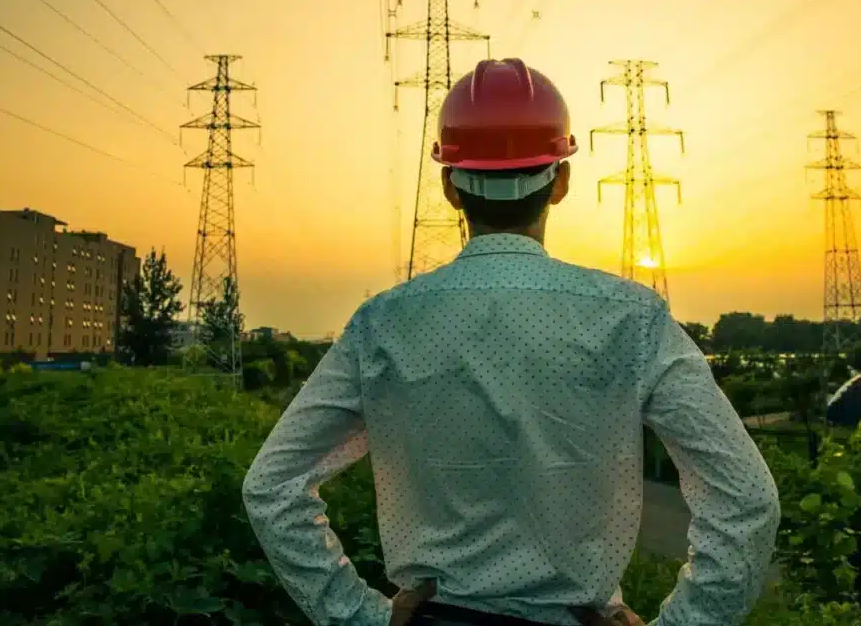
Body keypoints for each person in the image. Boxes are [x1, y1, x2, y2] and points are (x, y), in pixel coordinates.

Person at [243, 58, 781, 626]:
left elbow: (271, 486)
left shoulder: (382, 325)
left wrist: (360, 616)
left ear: (450, 187)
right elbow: (746, 498)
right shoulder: (632, 319)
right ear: (561, 181)